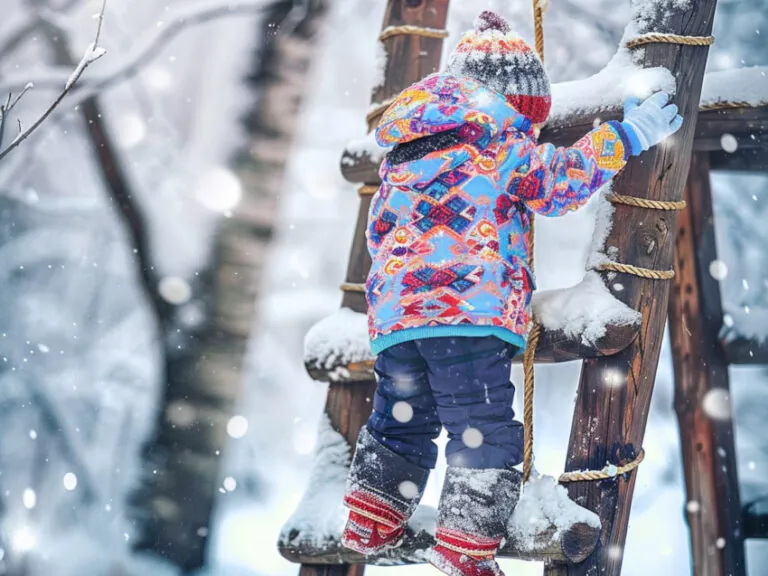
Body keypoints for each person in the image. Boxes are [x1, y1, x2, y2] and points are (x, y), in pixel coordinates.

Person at [340, 10, 682, 576]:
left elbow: (380, 234)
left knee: (402, 416)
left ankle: (369, 518)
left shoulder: (406, 153)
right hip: (467, 316)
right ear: (512, 106)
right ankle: (465, 551)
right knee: (481, 425)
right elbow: (560, 182)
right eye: (530, 120)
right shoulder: (500, 144)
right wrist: (628, 135)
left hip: (397, 320)